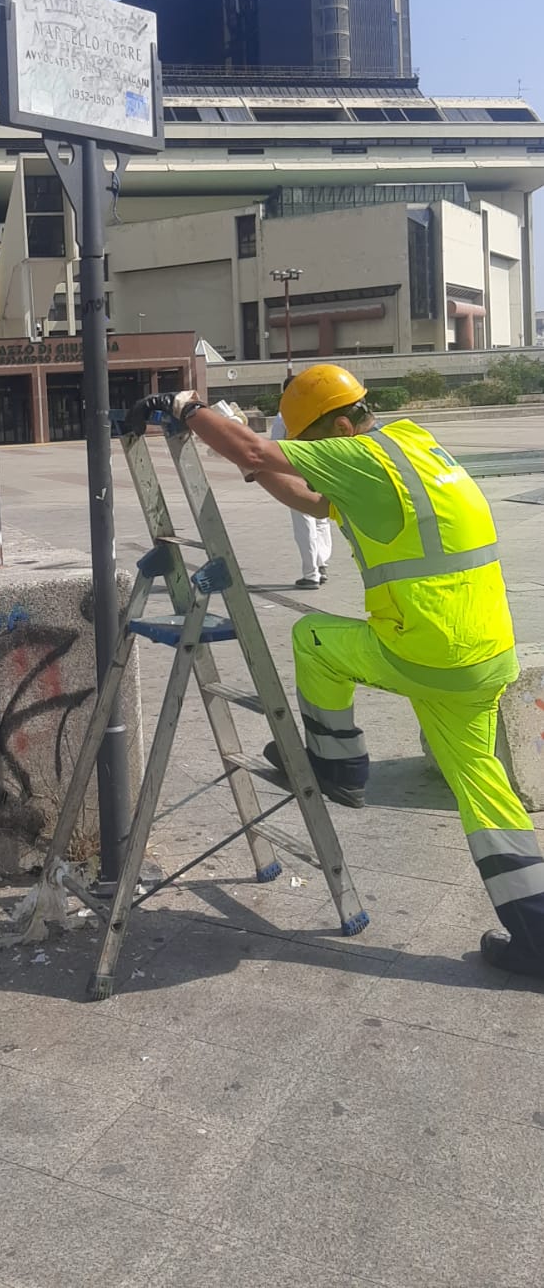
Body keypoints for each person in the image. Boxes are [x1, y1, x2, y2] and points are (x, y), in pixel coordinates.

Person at [128, 366, 544, 978]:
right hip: (481, 657)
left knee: (312, 638)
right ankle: (537, 935)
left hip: (423, 648)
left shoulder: (363, 454)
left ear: (344, 426)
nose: (319, 456)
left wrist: (190, 408)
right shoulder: (415, 449)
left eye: (320, 444)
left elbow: (252, 446)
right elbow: (313, 498)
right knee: (485, 792)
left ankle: (337, 763)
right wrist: (263, 469)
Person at [271, 378, 332, 589]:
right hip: (321, 471)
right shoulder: (318, 413)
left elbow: (274, 448)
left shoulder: (284, 418)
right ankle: (322, 563)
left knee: (304, 523)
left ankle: (311, 573)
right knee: (321, 519)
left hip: (296, 473)